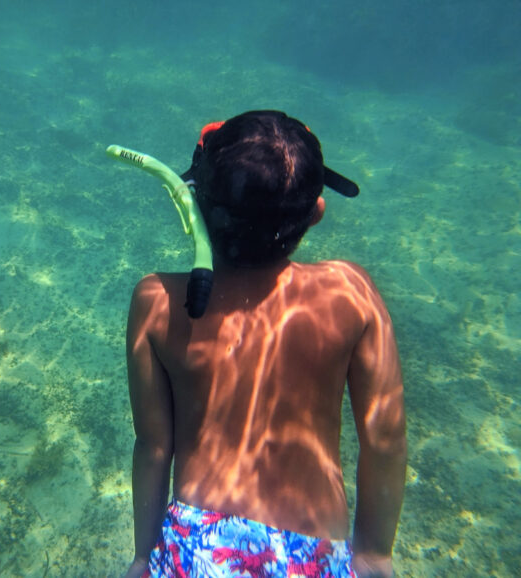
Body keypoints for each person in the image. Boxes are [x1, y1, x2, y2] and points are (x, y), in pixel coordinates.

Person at [124, 111, 406, 578]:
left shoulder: (156, 301)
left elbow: (154, 445)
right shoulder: (351, 294)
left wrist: (142, 556)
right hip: (312, 558)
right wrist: (375, 554)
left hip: (197, 550)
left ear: (193, 205)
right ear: (316, 212)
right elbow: (385, 439)